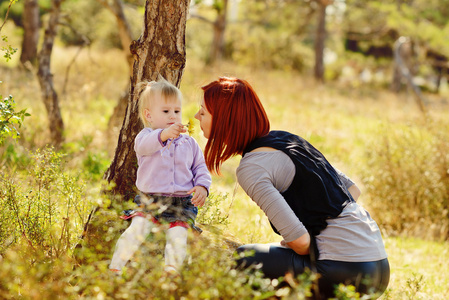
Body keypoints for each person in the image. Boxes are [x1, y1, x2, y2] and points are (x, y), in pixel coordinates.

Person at [194, 77, 389, 298]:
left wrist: (305, 238)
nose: (196, 117)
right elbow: (352, 190)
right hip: (378, 265)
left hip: (344, 270)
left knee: (244, 259)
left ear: (224, 119)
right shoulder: (287, 139)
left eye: (203, 112)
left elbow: (301, 242)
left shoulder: (251, 168)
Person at [109, 77, 212, 275]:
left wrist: (202, 186)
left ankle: (171, 273)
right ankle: (115, 268)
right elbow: (144, 147)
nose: (173, 116)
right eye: (166, 111)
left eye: (177, 111)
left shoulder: (189, 143)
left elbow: (200, 167)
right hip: (150, 201)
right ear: (149, 115)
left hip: (181, 203)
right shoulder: (146, 137)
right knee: (136, 230)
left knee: (178, 236)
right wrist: (164, 134)